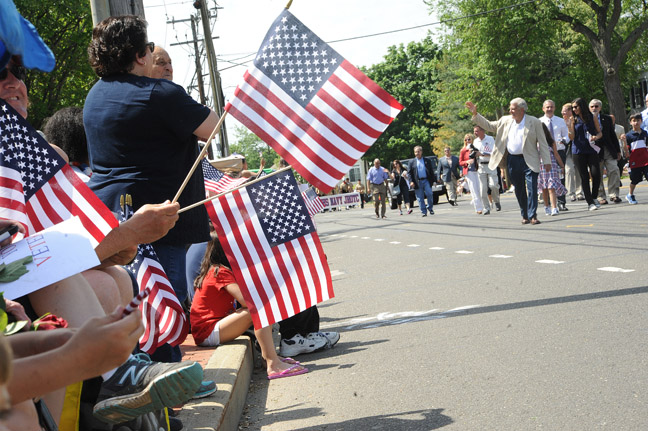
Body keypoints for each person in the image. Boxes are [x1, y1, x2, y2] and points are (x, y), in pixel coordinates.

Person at [84, 16, 217, 362]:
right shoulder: (160, 94)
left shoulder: (93, 97)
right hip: (158, 219)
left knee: (126, 307)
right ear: (140, 55)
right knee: (163, 306)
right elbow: (213, 128)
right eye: (147, 49)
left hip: (106, 220)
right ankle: (166, 383)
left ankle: (140, 377)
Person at [190, 234, 309, 379]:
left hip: (211, 329)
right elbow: (248, 302)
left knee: (260, 308)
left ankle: (271, 359)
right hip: (207, 332)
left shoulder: (216, 270)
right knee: (258, 310)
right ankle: (273, 364)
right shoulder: (220, 272)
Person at [466, 98, 551, 225]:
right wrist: (475, 114)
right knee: (519, 189)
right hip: (513, 159)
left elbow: (543, 143)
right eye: (510, 108)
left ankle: (533, 215)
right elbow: (489, 126)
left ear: (522, 110)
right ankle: (525, 214)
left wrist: (547, 161)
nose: (510, 111)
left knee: (532, 187)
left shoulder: (534, 122)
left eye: (513, 109)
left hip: (529, 159)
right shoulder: (505, 121)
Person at [565, 97, 603, 211]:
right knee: (584, 176)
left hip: (591, 149)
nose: (574, 109)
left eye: (576, 107)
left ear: (582, 106)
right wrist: (570, 126)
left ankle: (594, 196)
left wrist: (596, 137)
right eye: (572, 107)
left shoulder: (592, 117)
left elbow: (600, 132)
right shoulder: (573, 119)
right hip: (578, 151)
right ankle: (590, 202)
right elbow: (571, 137)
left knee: (596, 174)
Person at [589, 99, 622, 204]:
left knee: (614, 169)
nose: (594, 108)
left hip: (608, 149)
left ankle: (614, 194)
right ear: (589, 108)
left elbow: (612, 135)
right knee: (597, 173)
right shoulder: (587, 120)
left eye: (597, 106)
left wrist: (618, 151)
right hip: (595, 150)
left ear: (600, 108)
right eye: (592, 106)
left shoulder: (607, 119)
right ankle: (600, 196)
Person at [540, 100, 570, 211]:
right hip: (543, 154)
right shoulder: (539, 122)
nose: (549, 109)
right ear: (543, 108)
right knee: (546, 180)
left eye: (551, 107)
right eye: (547, 107)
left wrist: (563, 140)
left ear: (554, 108)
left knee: (560, 176)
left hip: (559, 151)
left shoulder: (560, 121)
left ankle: (561, 202)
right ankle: (548, 204)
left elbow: (567, 135)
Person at [538, 123, 566, 216]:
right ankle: (547, 206)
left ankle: (554, 208)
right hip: (540, 166)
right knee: (544, 188)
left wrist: (562, 166)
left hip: (551, 165)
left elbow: (556, 154)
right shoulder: (534, 142)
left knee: (551, 187)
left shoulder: (551, 141)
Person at [472, 125, 501, 214]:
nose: (475, 133)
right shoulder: (475, 141)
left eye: (476, 131)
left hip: (491, 164)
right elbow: (476, 153)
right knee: (482, 189)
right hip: (481, 166)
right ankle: (486, 207)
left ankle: (496, 201)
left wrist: (481, 154)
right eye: (474, 131)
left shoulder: (490, 139)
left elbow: (494, 153)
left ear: (482, 131)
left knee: (493, 185)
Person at [623, 113, 648, 204]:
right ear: (630, 123)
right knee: (635, 179)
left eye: (638, 120)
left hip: (646, 160)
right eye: (634, 121)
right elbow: (626, 151)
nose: (636, 123)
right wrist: (624, 142)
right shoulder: (629, 135)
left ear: (641, 121)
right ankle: (630, 194)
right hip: (635, 161)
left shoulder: (645, 133)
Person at [561, 102, 584, 202]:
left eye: (565, 111)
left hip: (577, 147)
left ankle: (579, 192)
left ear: (570, 111)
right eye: (562, 111)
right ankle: (571, 193)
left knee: (578, 170)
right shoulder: (561, 122)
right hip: (567, 150)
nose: (563, 113)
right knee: (569, 170)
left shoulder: (577, 120)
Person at [407, 146, 436, 217]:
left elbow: (431, 171)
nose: (417, 153)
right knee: (420, 198)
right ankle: (423, 211)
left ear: (421, 152)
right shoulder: (411, 162)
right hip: (417, 182)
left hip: (426, 180)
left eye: (418, 151)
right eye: (416, 152)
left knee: (429, 193)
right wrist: (411, 181)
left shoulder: (427, 160)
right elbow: (409, 173)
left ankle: (430, 207)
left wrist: (434, 181)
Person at [459, 134, 483, 214]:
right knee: (474, 189)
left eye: (469, 139)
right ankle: (478, 208)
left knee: (480, 189)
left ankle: (478, 202)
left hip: (478, 170)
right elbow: (460, 162)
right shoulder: (463, 150)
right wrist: (467, 161)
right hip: (469, 171)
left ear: (472, 140)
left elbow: (481, 155)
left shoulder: (475, 149)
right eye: (465, 140)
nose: (467, 141)